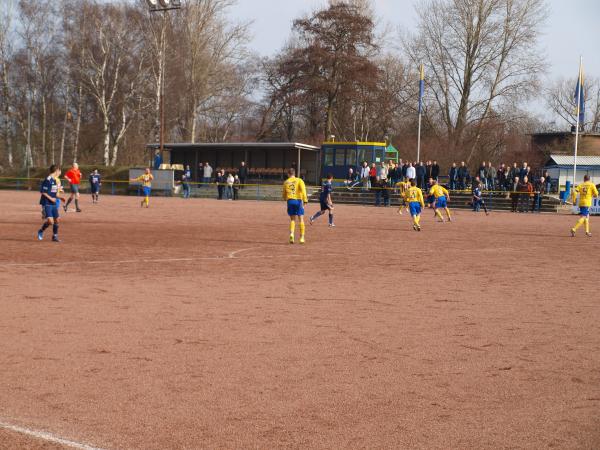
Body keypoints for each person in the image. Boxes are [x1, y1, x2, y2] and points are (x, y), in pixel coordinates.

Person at [282, 167, 308, 244]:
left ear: (288, 174)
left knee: (293, 219)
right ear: (294, 174)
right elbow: (303, 190)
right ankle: (302, 238)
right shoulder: (299, 180)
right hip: (298, 201)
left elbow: (283, 194)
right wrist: (305, 200)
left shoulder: (286, 182)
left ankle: (292, 234)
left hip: (290, 201)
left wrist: (285, 198)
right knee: (301, 219)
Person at [37, 165, 63, 242]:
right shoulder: (47, 180)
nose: (60, 172)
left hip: (53, 203)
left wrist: (60, 197)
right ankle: (41, 230)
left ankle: (54, 236)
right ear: (56, 170)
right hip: (46, 202)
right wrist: (51, 198)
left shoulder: (54, 180)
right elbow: (43, 192)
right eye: (59, 170)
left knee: (57, 220)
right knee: (50, 222)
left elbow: (54, 193)